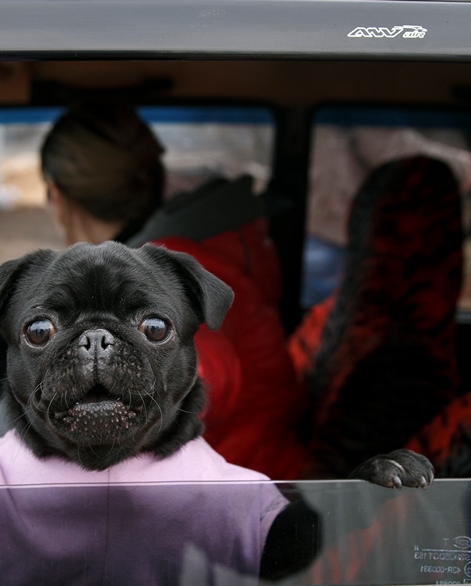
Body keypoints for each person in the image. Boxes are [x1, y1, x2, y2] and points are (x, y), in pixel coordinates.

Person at [39, 101, 308, 479]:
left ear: (56, 195)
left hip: (249, 506)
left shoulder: (170, 273)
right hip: (245, 480)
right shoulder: (186, 255)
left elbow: (207, 372)